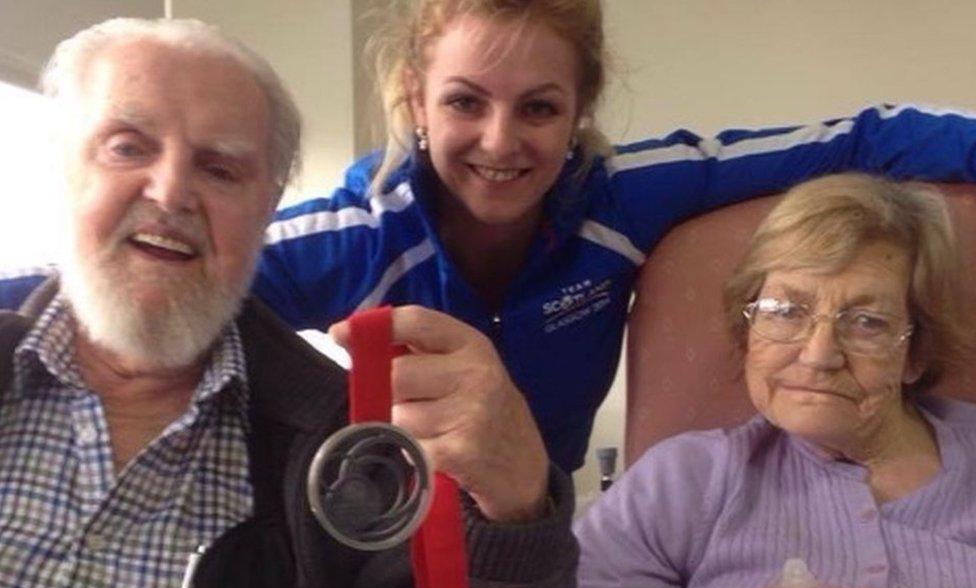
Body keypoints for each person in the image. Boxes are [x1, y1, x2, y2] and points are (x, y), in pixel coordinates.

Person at [7, 5, 976, 476]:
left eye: (540, 108)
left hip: (536, 526)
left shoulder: (625, 196)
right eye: (465, 103)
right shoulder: (352, 237)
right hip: (381, 547)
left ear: (581, 110)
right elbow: (93, 289)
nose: (502, 142)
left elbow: (861, 133)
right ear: (416, 103)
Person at [0, 18, 577, 588]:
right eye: (127, 146)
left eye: (220, 169)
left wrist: (520, 511)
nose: (170, 193)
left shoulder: (351, 451)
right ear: (62, 165)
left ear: (267, 208)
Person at [559, 173, 976, 588]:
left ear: (916, 353)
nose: (819, 355)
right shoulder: (685, 479)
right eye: (785, 311)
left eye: (866, 322)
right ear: (748, 327)